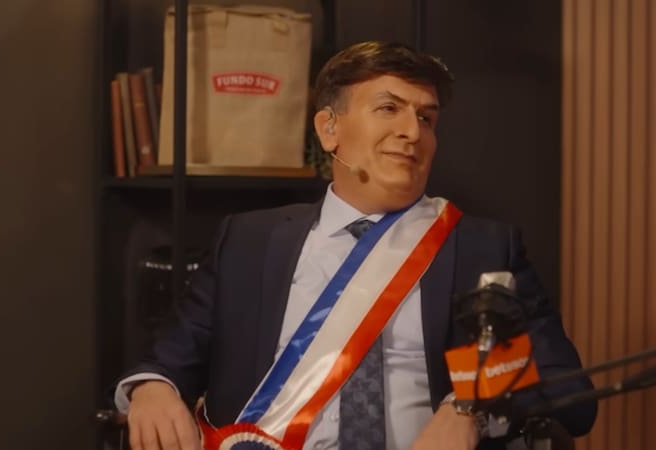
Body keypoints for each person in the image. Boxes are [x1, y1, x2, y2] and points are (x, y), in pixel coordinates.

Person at [115, 41, 596, 450]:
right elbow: (168, 358)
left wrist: (471, 406)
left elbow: (568, 392)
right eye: (389, 108)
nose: (412, 132)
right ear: (329, 129)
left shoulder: (481, 247)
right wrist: (153, 389)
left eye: (426, 118)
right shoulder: (248, 241)